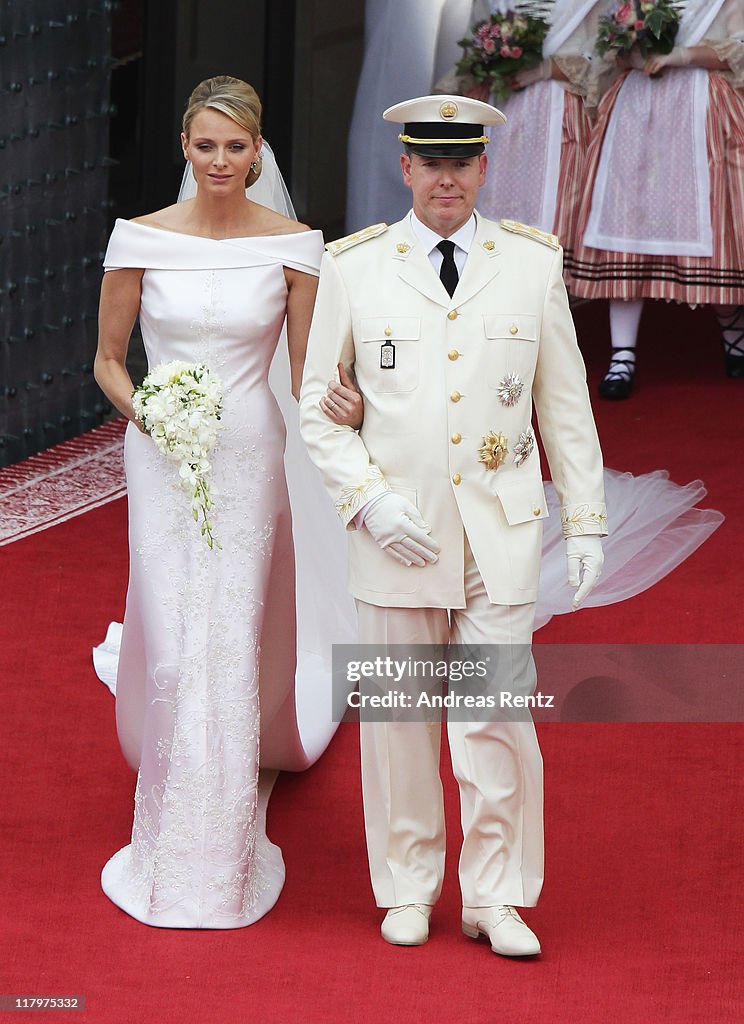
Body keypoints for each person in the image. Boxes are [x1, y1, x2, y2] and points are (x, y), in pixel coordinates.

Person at [299, 94, 607, 956]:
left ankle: (495, 896)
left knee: (495, 716)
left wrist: (585, 521)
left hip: (499, 527)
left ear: (482, 169)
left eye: (461, 163)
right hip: (398, 528)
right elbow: (317, 408)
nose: (445, 179)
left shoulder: (530, 266)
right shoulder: (355, 267)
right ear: (406, 169)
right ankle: (407, 885)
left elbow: (566, 408)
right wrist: (367, 499)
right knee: (399, 719)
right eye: (429, 163)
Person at [93, 76, 360, 928]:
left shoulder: (296, 247)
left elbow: (313, 372)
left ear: (258, 152)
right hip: (162, 458)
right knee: (175, 642)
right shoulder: (137, 239)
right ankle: (170, 833)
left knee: (231, 640)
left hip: (249, 452)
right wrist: (152, 413)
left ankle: (226, 848)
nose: (220, 161)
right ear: (183, 146)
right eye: (205, 145)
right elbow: (108, 363)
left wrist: (350, 406)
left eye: (235, 147)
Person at [564, 0, 744, 397]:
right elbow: (606, 51)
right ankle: (621, 354)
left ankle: (733, 329)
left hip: (702, 107)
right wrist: (633, 49)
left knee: (711, 225)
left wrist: (679, 55)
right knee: (625, 226)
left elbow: (738, 47)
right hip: (636, 108)